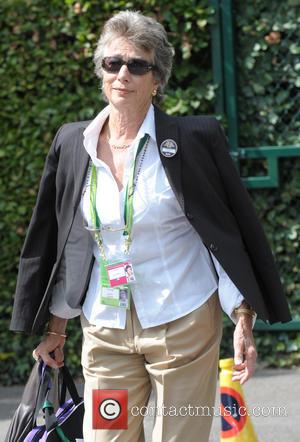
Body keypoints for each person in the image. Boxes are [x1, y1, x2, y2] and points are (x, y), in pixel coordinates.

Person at [10, 10, 291, 442]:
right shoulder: (73, 143)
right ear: (100, 72)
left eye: (137, 65)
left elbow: (224, 232)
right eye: (112, 63)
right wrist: (56, 326)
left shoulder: (193, 140)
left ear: (157, 78)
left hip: (183, 322)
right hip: (106, 330)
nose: (122, 74)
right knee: (109, 436)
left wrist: (243, 318)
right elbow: (70, 241)